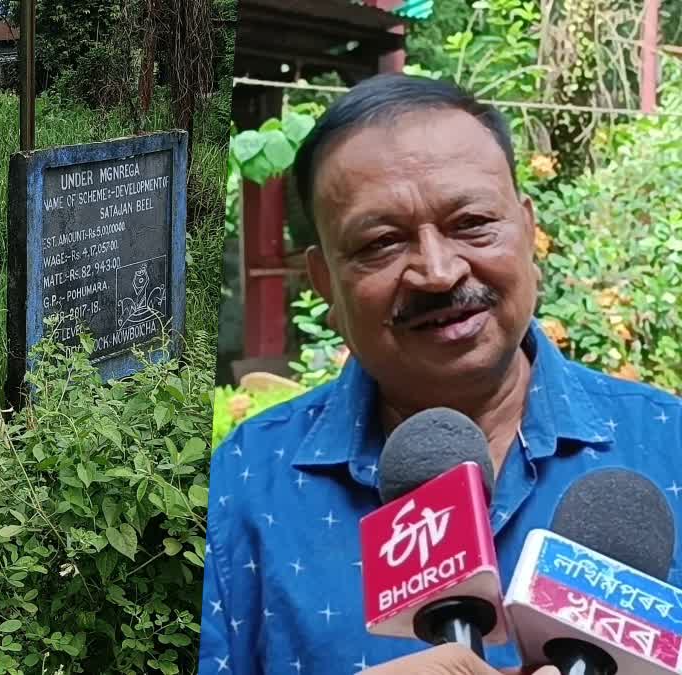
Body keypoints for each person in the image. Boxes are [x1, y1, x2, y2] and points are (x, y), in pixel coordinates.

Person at [198, 73, 682, 674]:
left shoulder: (670, 446)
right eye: (381, 242)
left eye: (472, 223)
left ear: (529, 232)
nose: (437, 271)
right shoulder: (239, 487)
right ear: (324, 281)